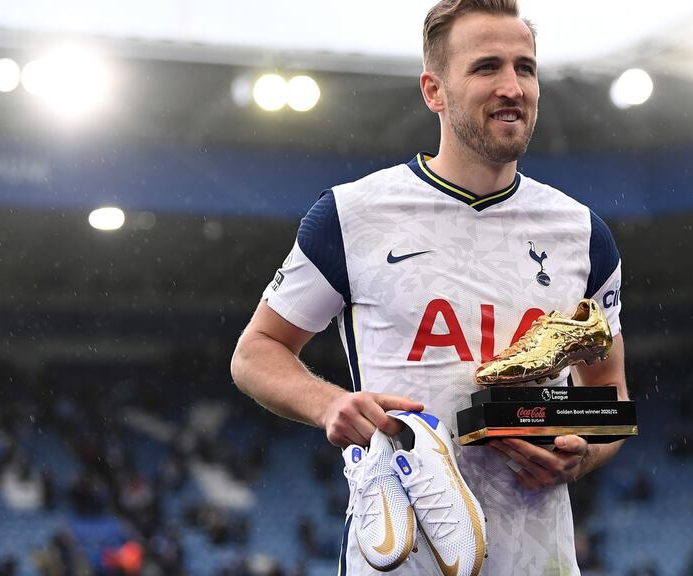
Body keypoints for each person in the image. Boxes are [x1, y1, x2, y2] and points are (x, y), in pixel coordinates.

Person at [230, 0, 629, 573]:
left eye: (526, 67)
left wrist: (584, 451)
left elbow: (607, 391)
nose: (513, 86)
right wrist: (331, 405)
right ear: (433, 91)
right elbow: (255, 352)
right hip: (400, 560)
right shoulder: (351, 215)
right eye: (487, 67)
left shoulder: (583, 234)